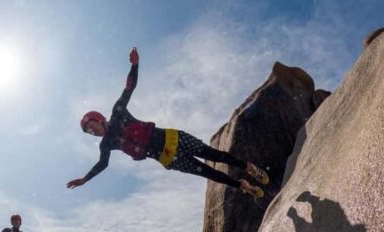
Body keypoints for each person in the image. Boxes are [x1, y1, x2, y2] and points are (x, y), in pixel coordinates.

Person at [67, 47, 269, 199]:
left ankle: (248, 167)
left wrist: (135, 65)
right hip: (168, 158)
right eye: (89, 133)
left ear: (98, 118)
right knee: (209, 173)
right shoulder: (106, 144)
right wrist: (85, 179)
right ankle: (243, 186)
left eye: (91, 128)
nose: (93, 133)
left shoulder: (118, 112)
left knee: (213, 155)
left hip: (173, 139)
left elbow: (129, 88)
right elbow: (103, 164)